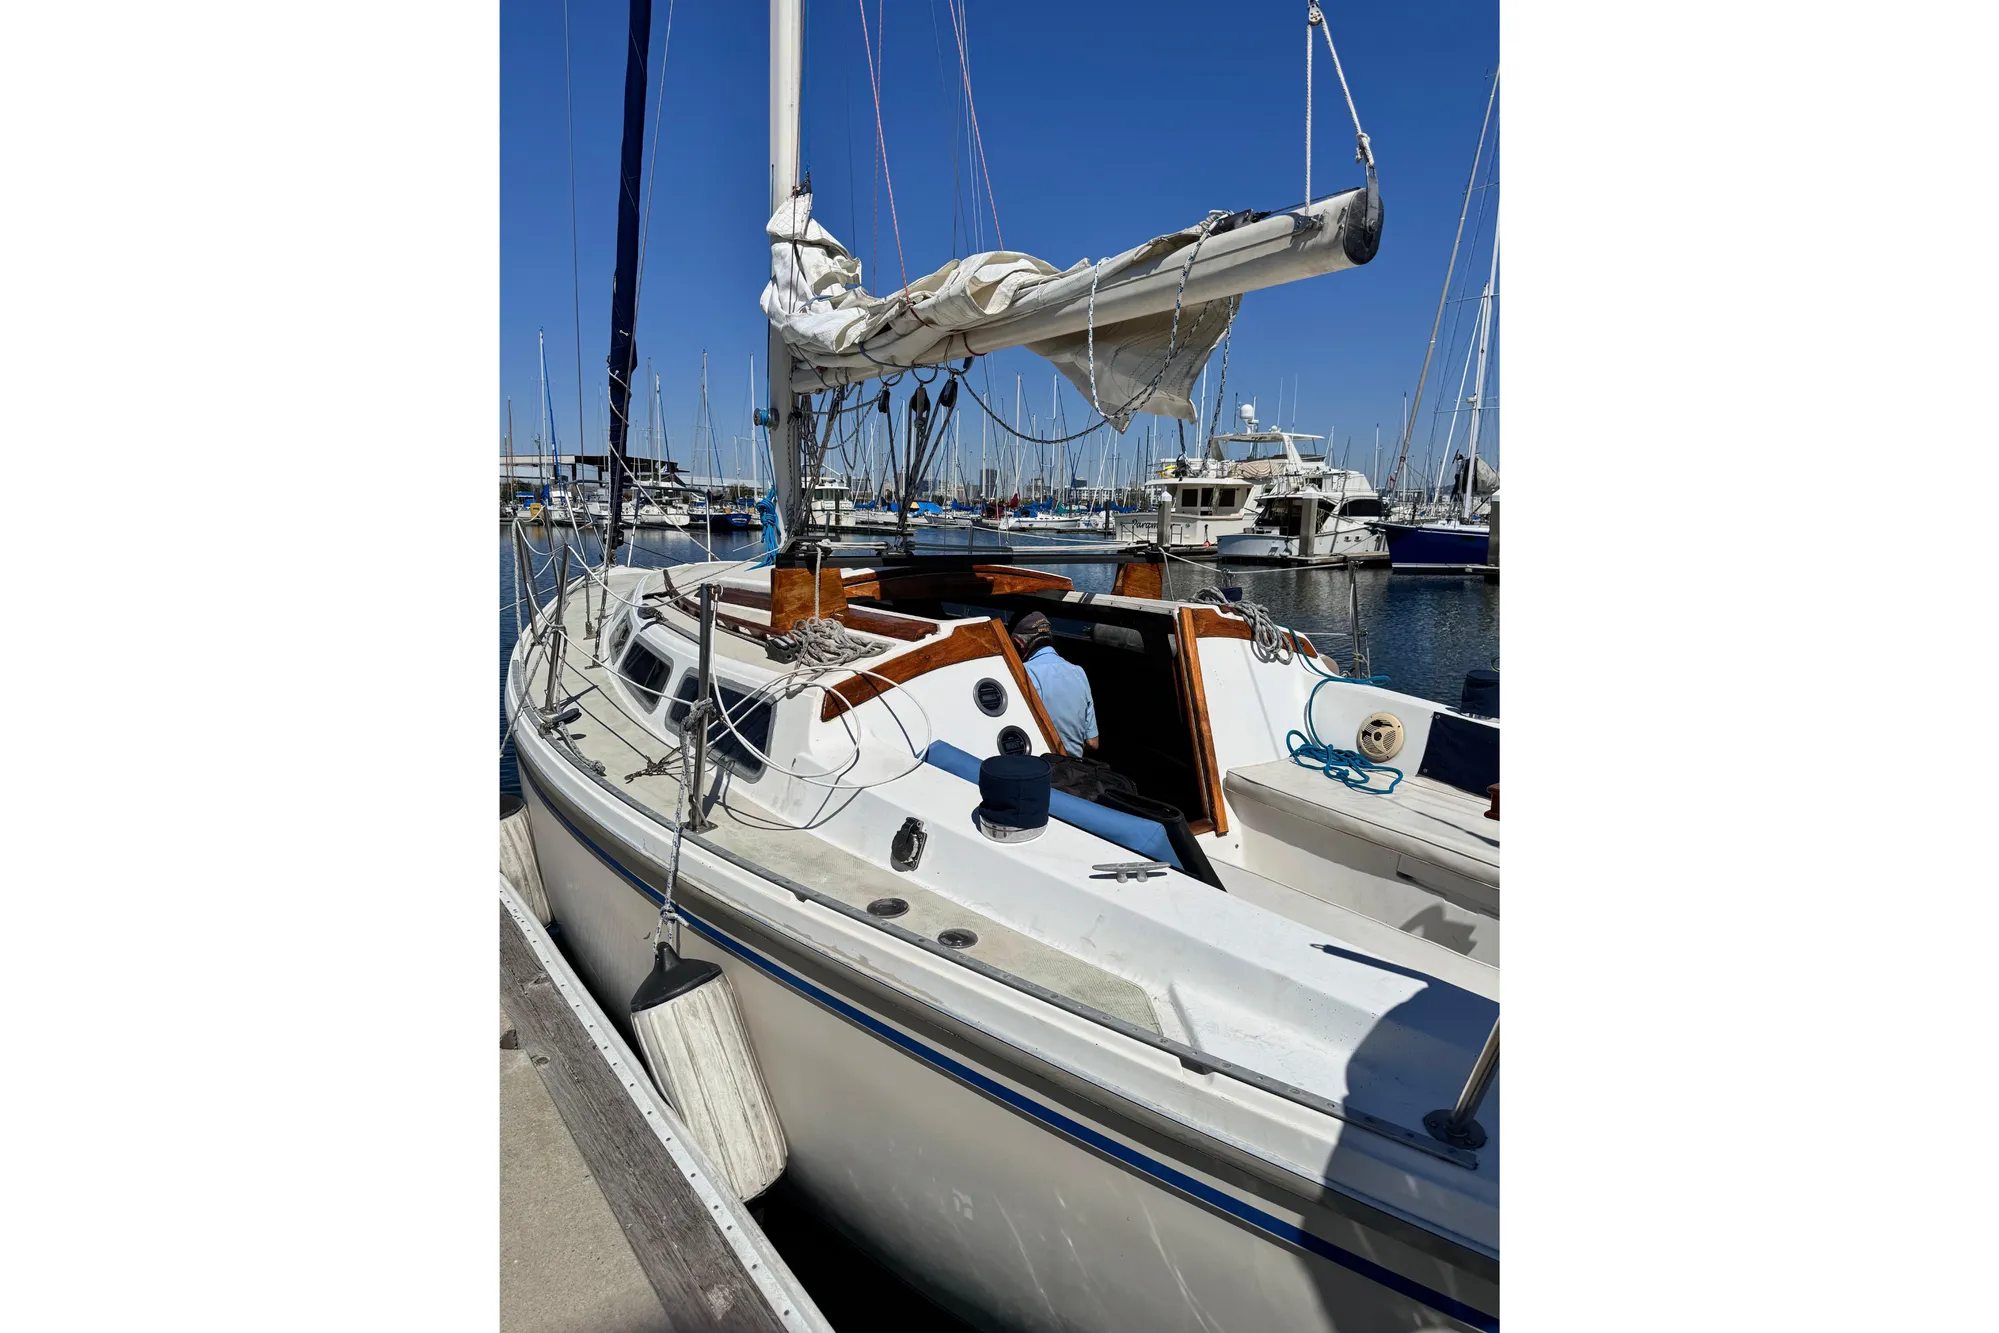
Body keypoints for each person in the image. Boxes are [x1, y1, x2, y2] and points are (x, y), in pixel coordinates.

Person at [1009, 611, 1098, 759]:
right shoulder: (1079, 672)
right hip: (1074, 768)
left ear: (1019, 643)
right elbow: (1092, 743)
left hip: (1039, 767)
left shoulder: (1022, 674)